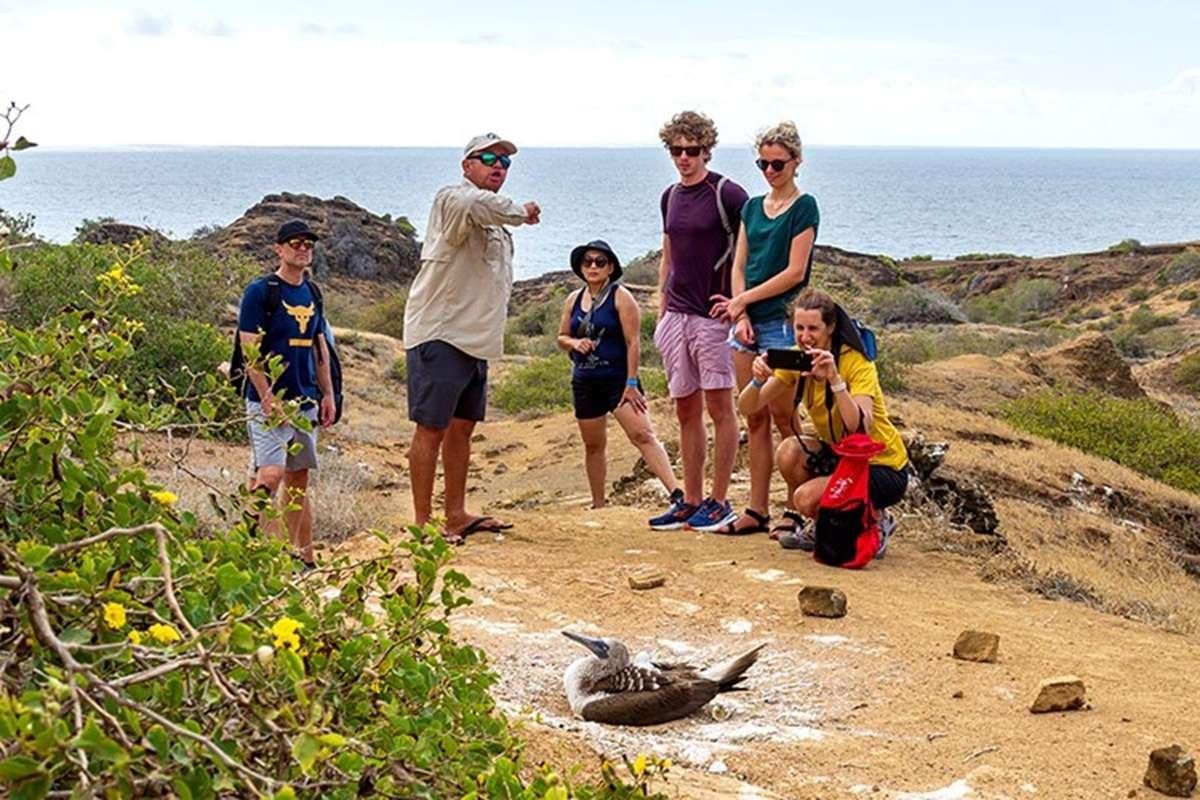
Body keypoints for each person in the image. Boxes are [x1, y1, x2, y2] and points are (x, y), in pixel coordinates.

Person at [403, 133, 541, 545]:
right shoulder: (453, 199)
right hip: (441, 334)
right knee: (431, 428)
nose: (498, 165)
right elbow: (474, 205)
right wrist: (522, 210)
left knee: (462, 428)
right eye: (488, 158)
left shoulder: (494, 221)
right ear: (467, 165)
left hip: (475, 340)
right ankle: (423, 524)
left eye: (505, 162)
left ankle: (456, 514)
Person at [710, 121, 819, 536]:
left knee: (785, 416)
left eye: (778, 163)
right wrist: (740, 313)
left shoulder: (805, 207)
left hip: (782, 325)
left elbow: (795, 272)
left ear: (795, 162)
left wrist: (744, 302)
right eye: (763, 163)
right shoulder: (752, 208)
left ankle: (797, 507)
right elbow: (739, 264)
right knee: (752, 414)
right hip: (747, 323)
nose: (770, 171)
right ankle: (757, 510)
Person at [738, 289, 909, 553]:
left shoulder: (857, 362)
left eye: (813, 329)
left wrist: (835, 380)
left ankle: (876, 519)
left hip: (880, 465)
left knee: (805, 499)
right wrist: (758, 379)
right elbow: (748, 406)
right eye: (799, 328)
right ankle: (826, 523)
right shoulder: (798, 359)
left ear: (830, 328)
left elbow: (859, 426)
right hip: (841, 455)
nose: (806, 337)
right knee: (790, 451)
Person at [650, 110, 750, 532]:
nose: (684, 157)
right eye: (677, 150)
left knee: (719, 406)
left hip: (713, 317)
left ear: (707, 149)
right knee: (684, 409)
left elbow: (751, 246)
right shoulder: (670, 196)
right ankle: (690, 500)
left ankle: (719, 499)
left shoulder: (727, 193)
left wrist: (738, 301)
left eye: (693, 150)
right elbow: (669, 248)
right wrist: (660, 298)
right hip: (677, 313)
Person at [237, 219, 337, 569]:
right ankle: (257, 555)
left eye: (308, 244)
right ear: (279, 249)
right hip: (269, 400)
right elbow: (249, 349)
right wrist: (267, 397)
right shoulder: (261, 291)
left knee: (298, 478)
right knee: (270, 475)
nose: (303, 248)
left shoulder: (312, 293)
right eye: (295, 243)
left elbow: (319, 347)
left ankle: (299, 557)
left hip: (304, 399)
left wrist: (328, 393)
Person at [556, 240, 682, 511]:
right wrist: (574, 344)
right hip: (585, 381)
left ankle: (678, 495)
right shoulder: (573, 299)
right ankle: (598, 504)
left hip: (618, 380)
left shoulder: (620, 296)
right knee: (593, 444)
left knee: (643, 435)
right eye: (587, 261)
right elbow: (561, 336)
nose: (593, 266)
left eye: (600, 262)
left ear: (610, 267)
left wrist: (632, 383)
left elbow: (633, 342)